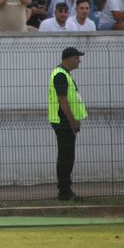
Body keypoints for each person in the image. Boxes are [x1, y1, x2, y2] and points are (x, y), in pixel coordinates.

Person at [48, 47, 87, 202]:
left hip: (65, 121)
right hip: (63, 122)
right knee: (66, 157)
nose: (79, 60)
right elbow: (63, 100)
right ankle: (64, 190)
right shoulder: (60, 75)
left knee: (67, 156)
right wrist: (73, 122)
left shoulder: (64, 74)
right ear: (69, 58)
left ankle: (65, 189)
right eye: (77, 57)